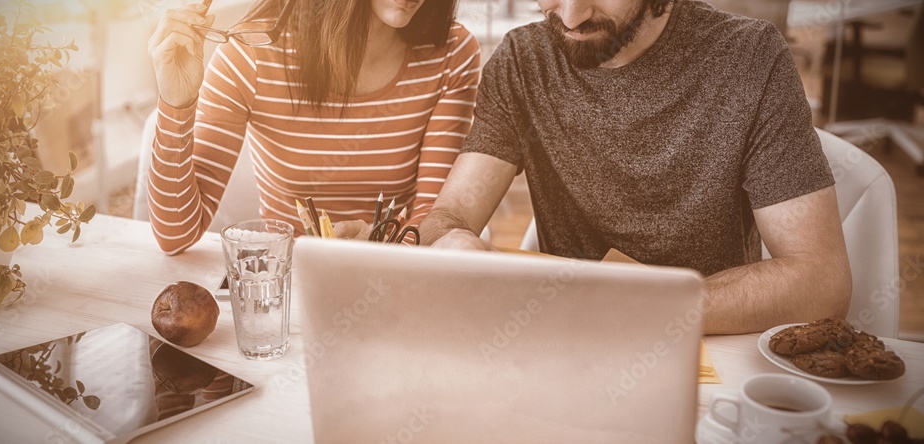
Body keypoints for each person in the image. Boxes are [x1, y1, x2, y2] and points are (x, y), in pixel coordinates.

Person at [419, 0, 852, 334]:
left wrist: (634, 306)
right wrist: (449, 239)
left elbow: (820, 279)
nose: (570, 16)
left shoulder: (748, 58)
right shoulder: (522, 60)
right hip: (569, 347)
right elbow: (448, 216)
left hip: (703, 346)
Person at [147, 0, 480, 254]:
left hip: (395, 277)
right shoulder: (251, 58)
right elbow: (175, 235)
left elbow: (433, 216)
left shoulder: (452, 54)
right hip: (286, 286)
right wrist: (176, 104)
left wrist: (378, 259)